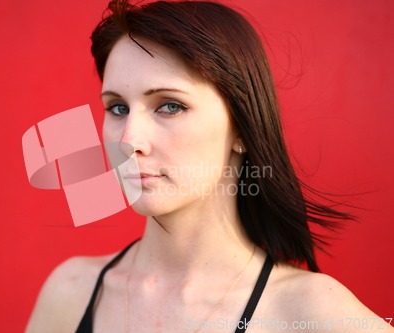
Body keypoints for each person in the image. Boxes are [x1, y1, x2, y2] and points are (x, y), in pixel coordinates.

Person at [25, 1, 393, 332]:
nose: (128, 140)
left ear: (242, 127)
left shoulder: (314, 315)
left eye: (170, 105)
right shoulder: (71, 293)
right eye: (118, 107)